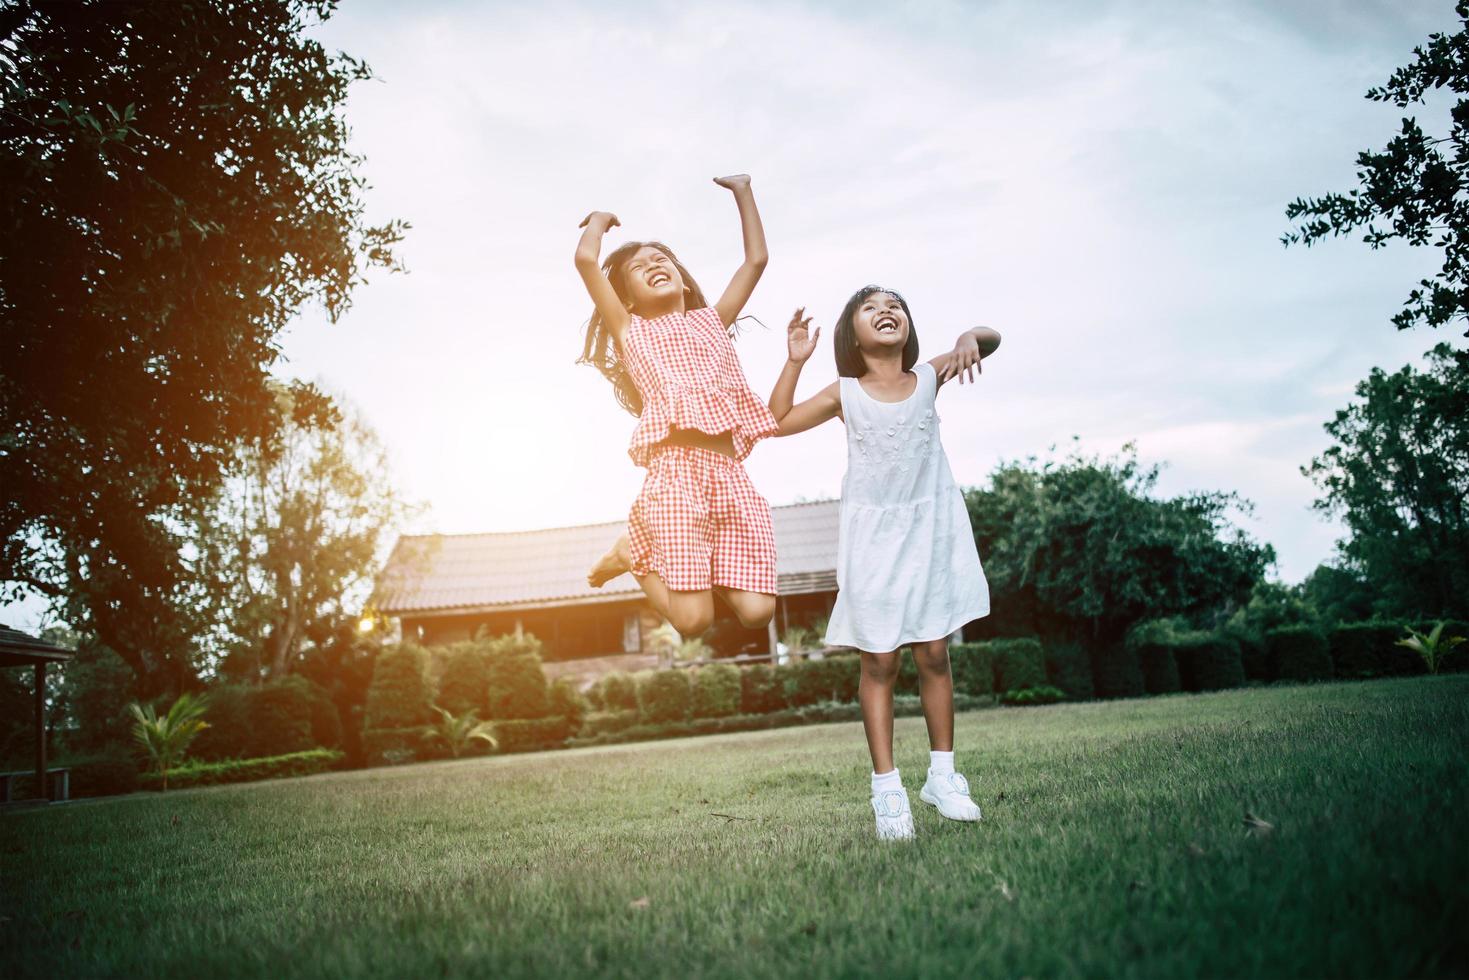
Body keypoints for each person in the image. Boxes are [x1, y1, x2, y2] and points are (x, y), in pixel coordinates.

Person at [767, 286, 1000, 840]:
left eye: (895, 304)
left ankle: (942, 776)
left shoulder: (928, 377)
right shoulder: (844, 393)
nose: (886, 311)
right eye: (870, 308)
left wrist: (969, 336)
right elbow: (776, 421)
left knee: (935, 652)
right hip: (873, 537)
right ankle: (887, 788)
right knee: (880, 662)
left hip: (930, 529)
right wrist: (794, 361)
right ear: (852, 334)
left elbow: (992, 340)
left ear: (908, 325)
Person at [574, 175, 779, 639]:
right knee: (693, 622)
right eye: (639, 268)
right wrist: (601, 222)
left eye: (660, 260)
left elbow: (756, 259)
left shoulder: (712, 322)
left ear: (684, 282)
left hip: (729, 479)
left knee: (758, 613)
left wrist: (744, 192)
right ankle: (632, 555)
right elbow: (586, 260)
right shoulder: (632, 331)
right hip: (676, 476)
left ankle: (701, 563)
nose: (653, 265)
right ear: (628, 297)